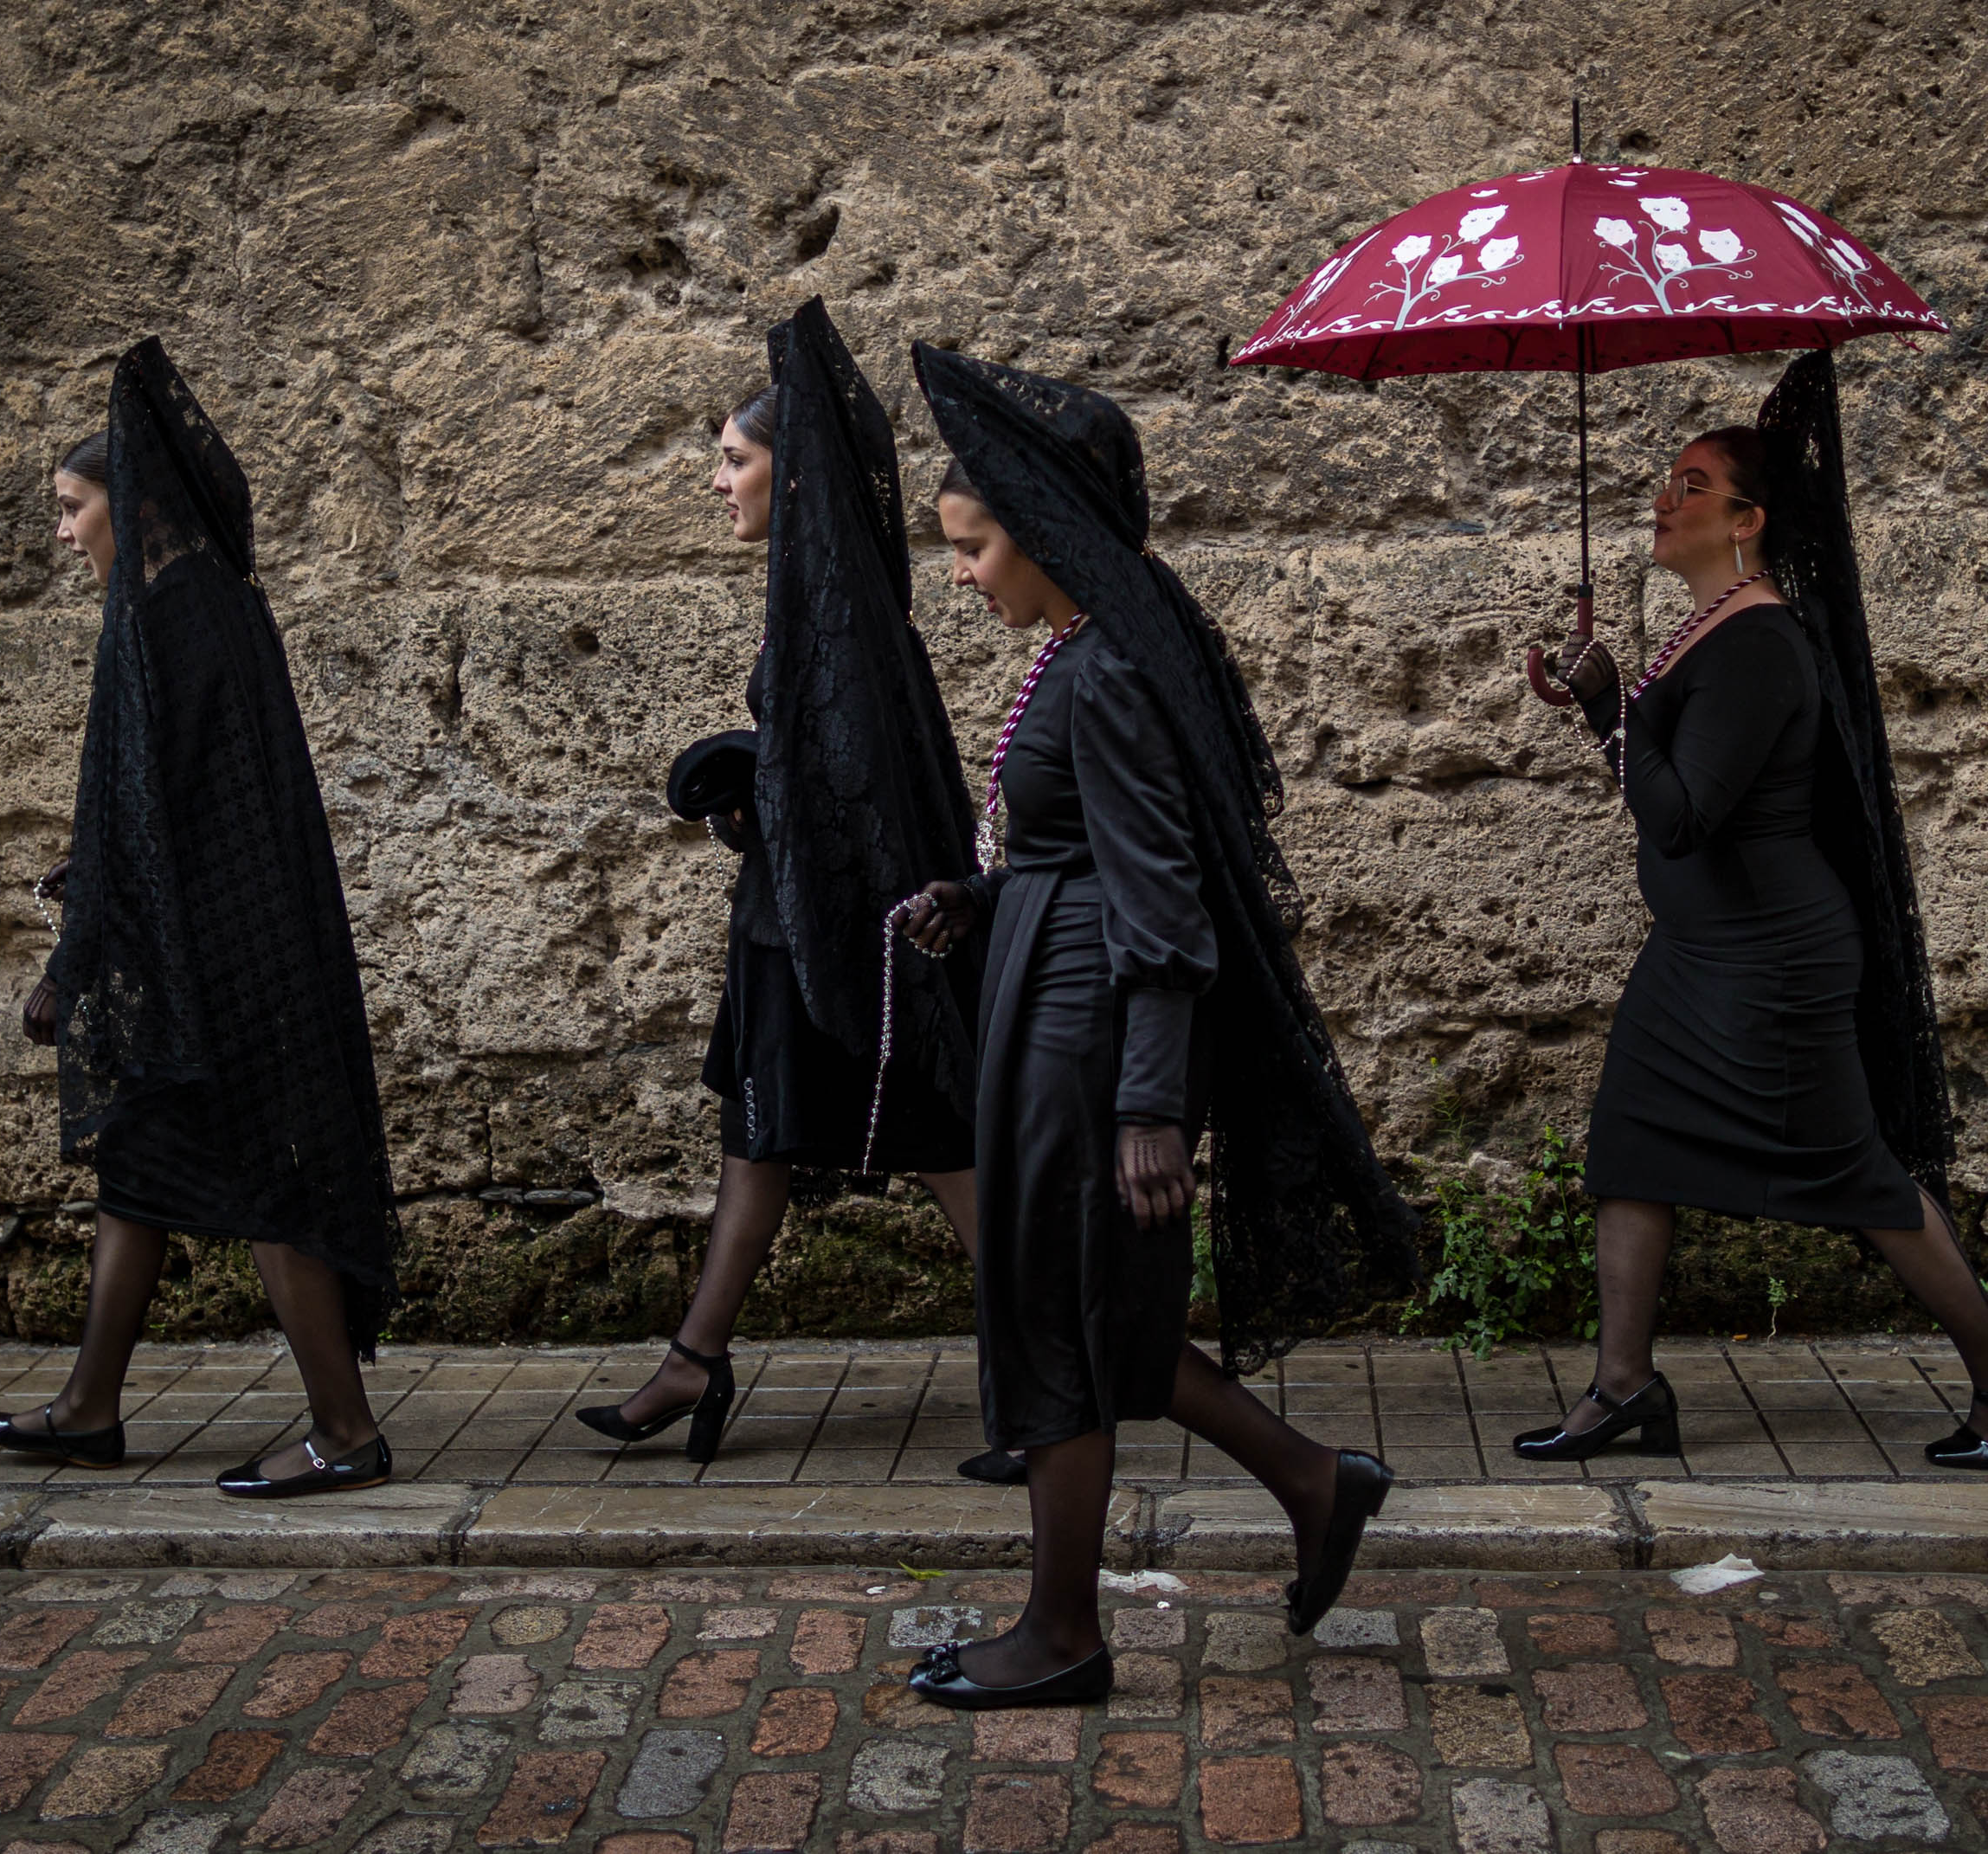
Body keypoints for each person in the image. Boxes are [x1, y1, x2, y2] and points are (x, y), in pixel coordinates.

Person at [892, 347, 1422, 1711]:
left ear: (1047, 528)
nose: (964, 576)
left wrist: (1148, 1105)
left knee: (1063, 1324)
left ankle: (1064, 1630)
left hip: (1084, 1042)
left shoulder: (1109, 672)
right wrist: (979, 893)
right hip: (1049, 997)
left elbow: (1164, 903)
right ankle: (1316, 1480)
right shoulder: (1079, 651)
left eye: (975, 547)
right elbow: (1072, 851)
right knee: (1111, 1326)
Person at [1522, 351, 1988, 1473]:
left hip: (1770, 962)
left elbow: (1683, 814)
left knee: (1860, 1177)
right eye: (1666, 481)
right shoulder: (1715, 630)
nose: (1663, 499)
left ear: (1750, 521)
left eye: (1691, 484)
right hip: (1702, 953)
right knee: (1631, 1145)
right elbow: (1669, 788)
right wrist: (1608, 710)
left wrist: (1605, 710)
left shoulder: (1761, 645)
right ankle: (1624, 1386)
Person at [576, 301, 1004, 1477]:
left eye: (734, 458)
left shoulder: (838, 615)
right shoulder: (815, 601)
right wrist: (752, 789)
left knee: (942, 1142)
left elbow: (857, 784)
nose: (718, 481)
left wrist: (755, 779)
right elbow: (828, 780)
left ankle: (1053, 1367)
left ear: (792, 469)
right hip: (793, 933)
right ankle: (696, 1358)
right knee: (761, 1141)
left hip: (836, 943)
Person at [0, 337, 402, 1498]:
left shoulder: (174, 615)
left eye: (74, 508)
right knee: (143, 1162)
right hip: (214, 940)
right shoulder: (201, 596)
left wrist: (75, 960)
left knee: (272, 1175)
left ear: (131, 500)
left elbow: (146, 802)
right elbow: (164, 799)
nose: (65, 534)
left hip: (229, 957)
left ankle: (346, 1429)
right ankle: (88, 1407)